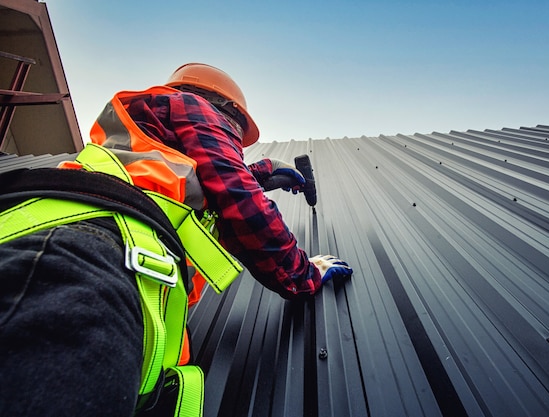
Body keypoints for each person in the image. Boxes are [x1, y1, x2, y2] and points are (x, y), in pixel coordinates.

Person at [0, 63, 352, 417]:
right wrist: (304, 274)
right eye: (234, 129)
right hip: (82, 253)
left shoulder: (152, 132)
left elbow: (193, 176)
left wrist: (264, 172)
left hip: (79, 247)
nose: (233, 140)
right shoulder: (191, 104)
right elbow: (238, 197)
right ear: (221, 106)